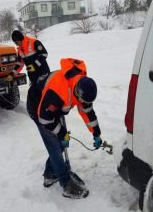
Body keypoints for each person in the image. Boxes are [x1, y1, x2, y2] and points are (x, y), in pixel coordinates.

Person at [31, 58, 102, 199]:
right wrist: (62, 133)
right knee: (55, 146)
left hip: (55, 109)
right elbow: (45, 118)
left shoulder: (82, 87)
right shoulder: (59, 90)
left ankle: (50, 175)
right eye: (83, 101)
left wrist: (96, 133)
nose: (84, 104)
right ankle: (66, 183)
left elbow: (87, 111)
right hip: (39, 108)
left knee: (61, 144)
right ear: (77, 92)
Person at [6, 30, 50, 122]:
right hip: (32, 75)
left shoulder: (34, 42)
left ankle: (48, 111)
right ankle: (39, 112)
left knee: (45, 92)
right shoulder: (19, 49)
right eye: (15, 42)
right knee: (36, 93)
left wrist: (34, 65)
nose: (16, 44)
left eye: (16, 41)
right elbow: (19, 64)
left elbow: (44, 54)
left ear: (20, 39)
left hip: (43, 72)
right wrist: (12, 74)